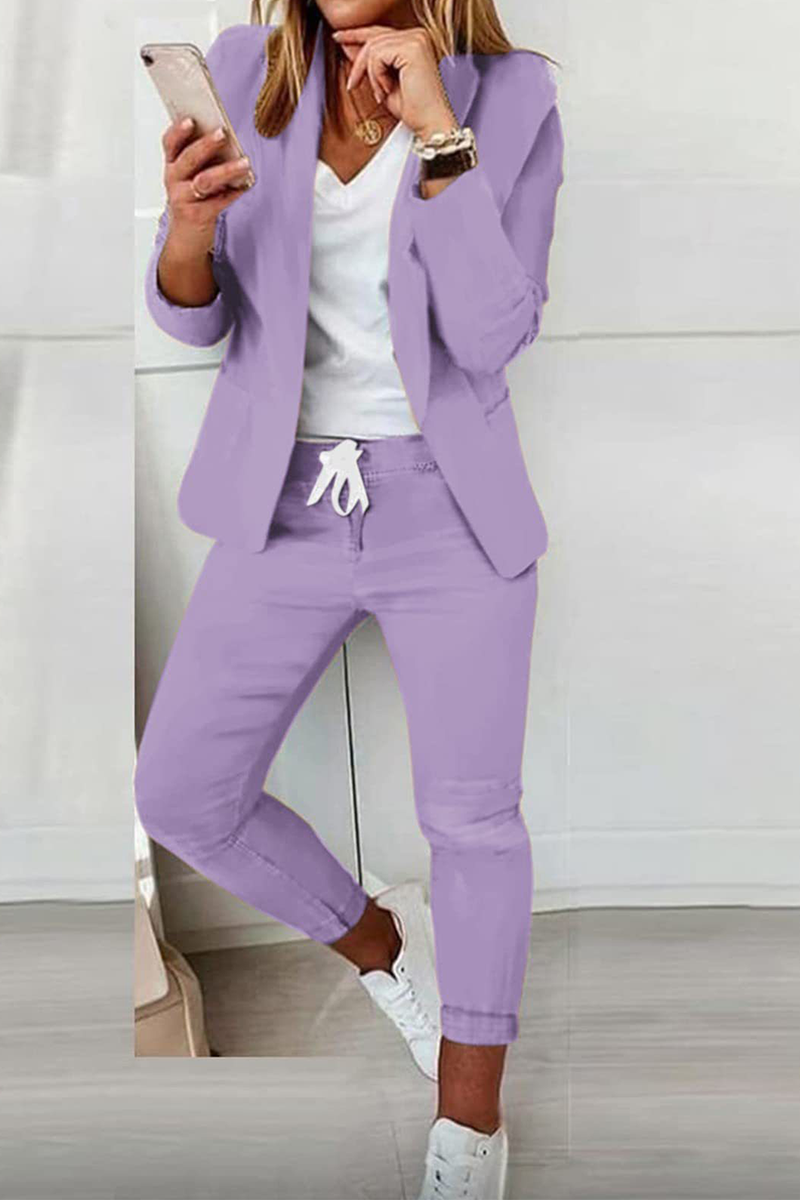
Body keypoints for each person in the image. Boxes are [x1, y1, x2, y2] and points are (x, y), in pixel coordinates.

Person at [135, 2, 563, 1195]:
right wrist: (187, 228)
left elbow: (491, 333)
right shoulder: (243, 70)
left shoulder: (511, 94)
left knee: (471, 822)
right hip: (281, 501)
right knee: (181, 794)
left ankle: (468, 1127)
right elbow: (193, 313)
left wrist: (437, 136)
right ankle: (384, 946)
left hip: (449, 509)